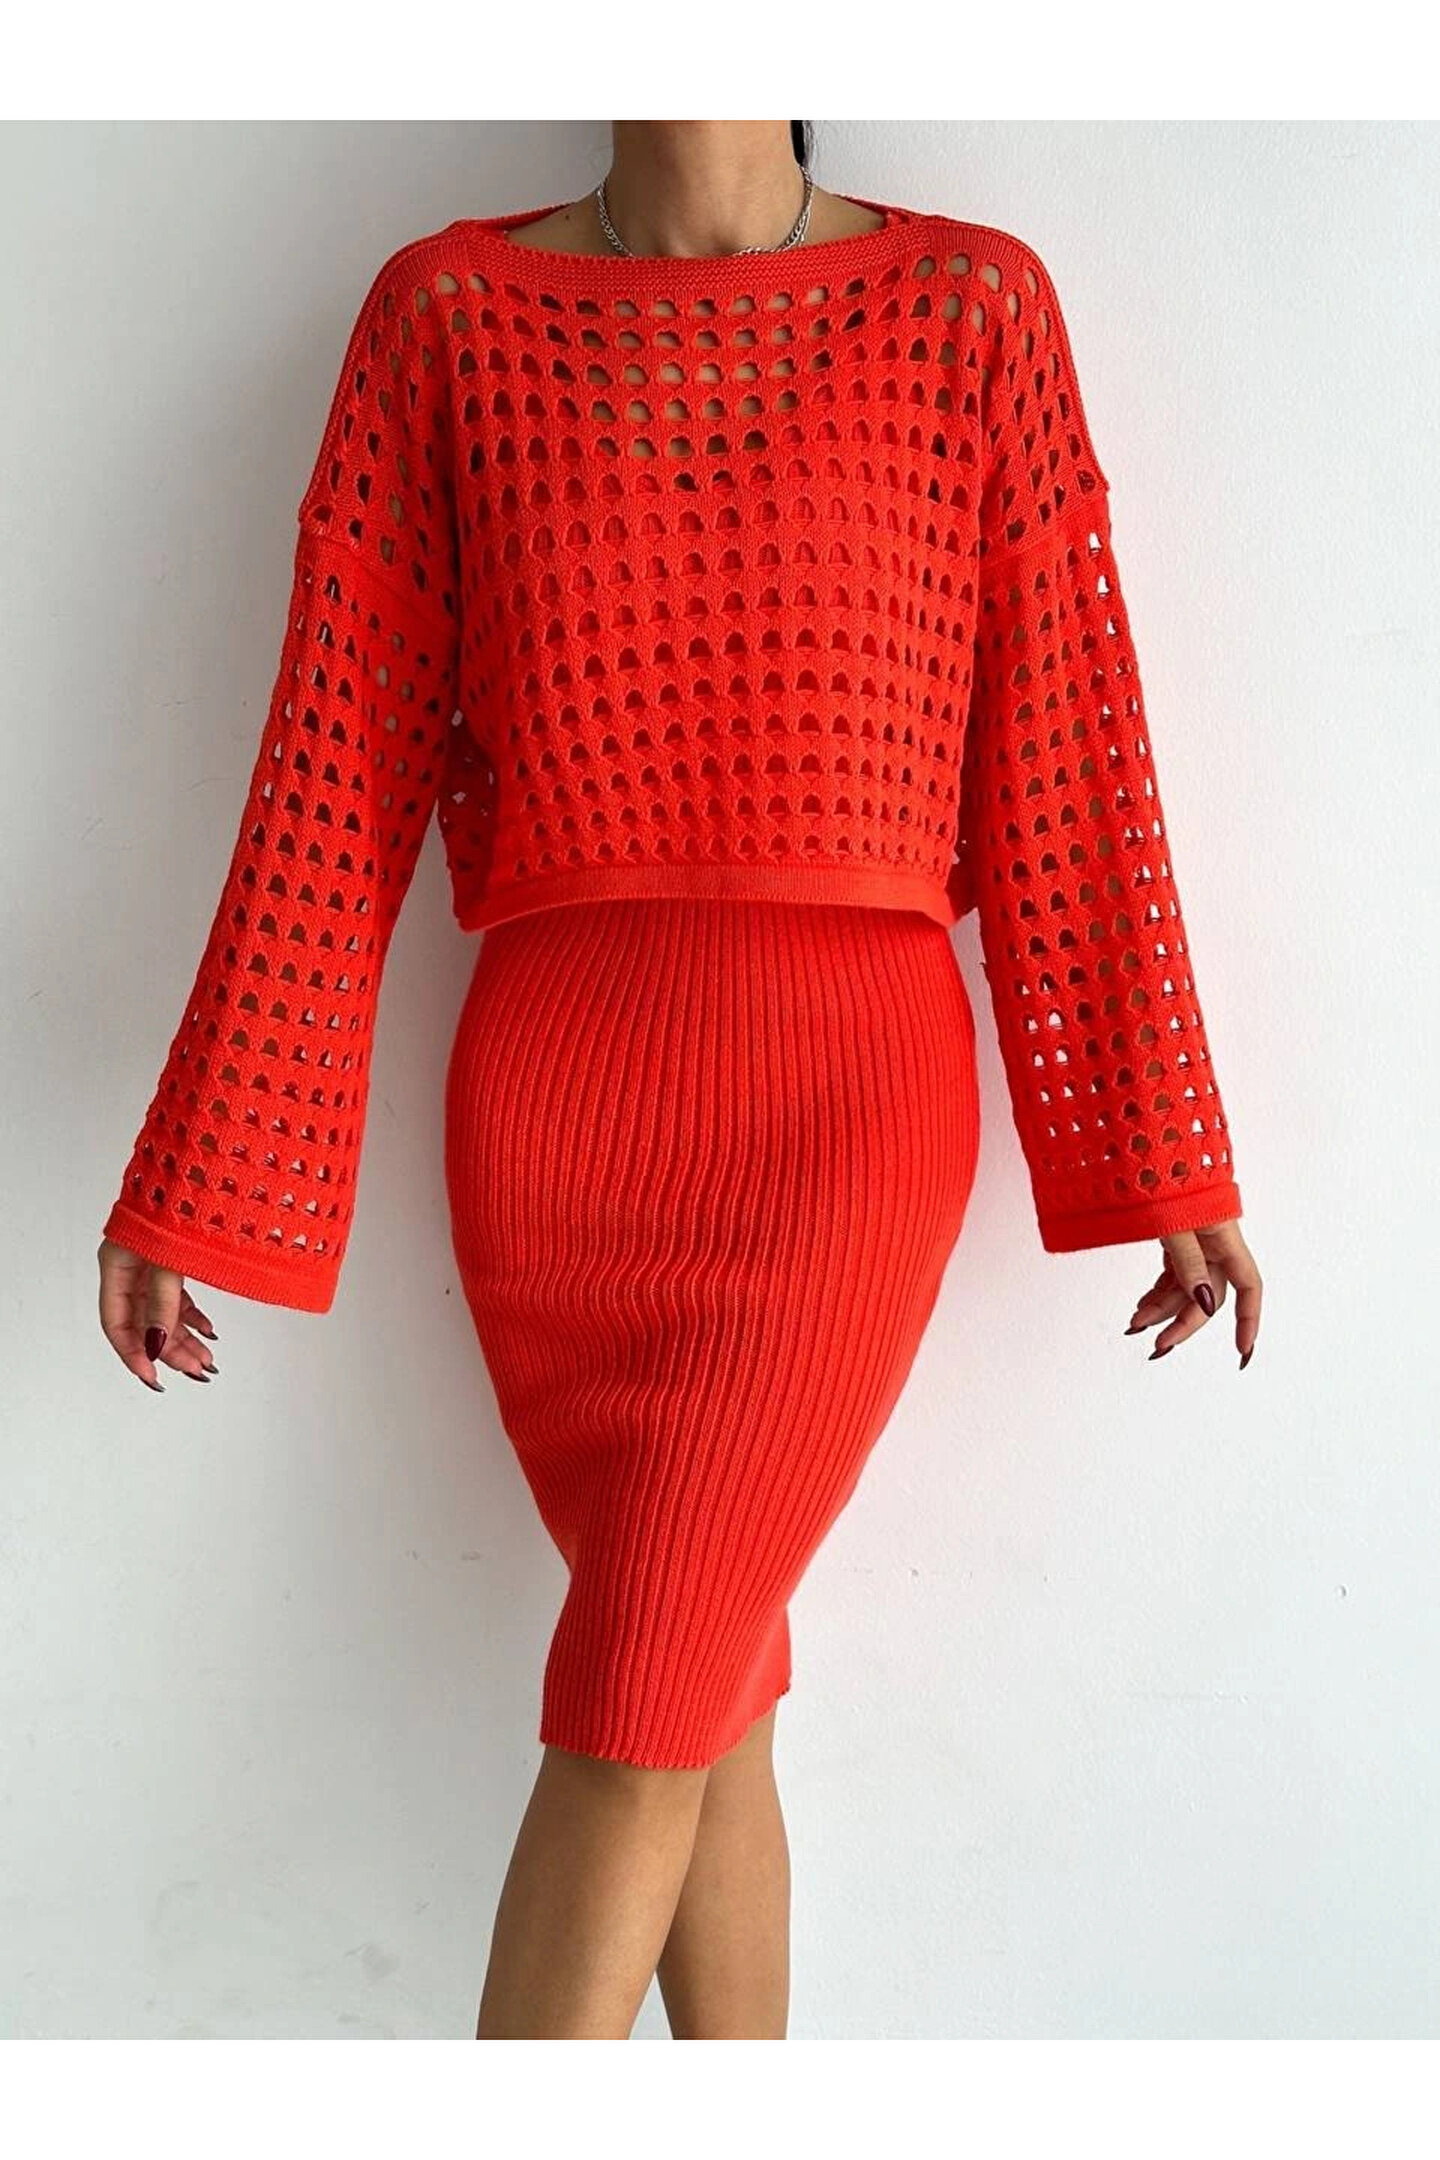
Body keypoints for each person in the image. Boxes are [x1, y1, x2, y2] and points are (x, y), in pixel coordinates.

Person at [96, 119, 1264, 2039]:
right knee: (706, 1705)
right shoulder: (446, 317)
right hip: (555, 1121)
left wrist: (1161, 1143)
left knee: (634, 1712)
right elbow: (330, 762)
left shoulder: (971, 306)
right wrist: (203, 1167)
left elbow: (1070, 749)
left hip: (845, 1126)